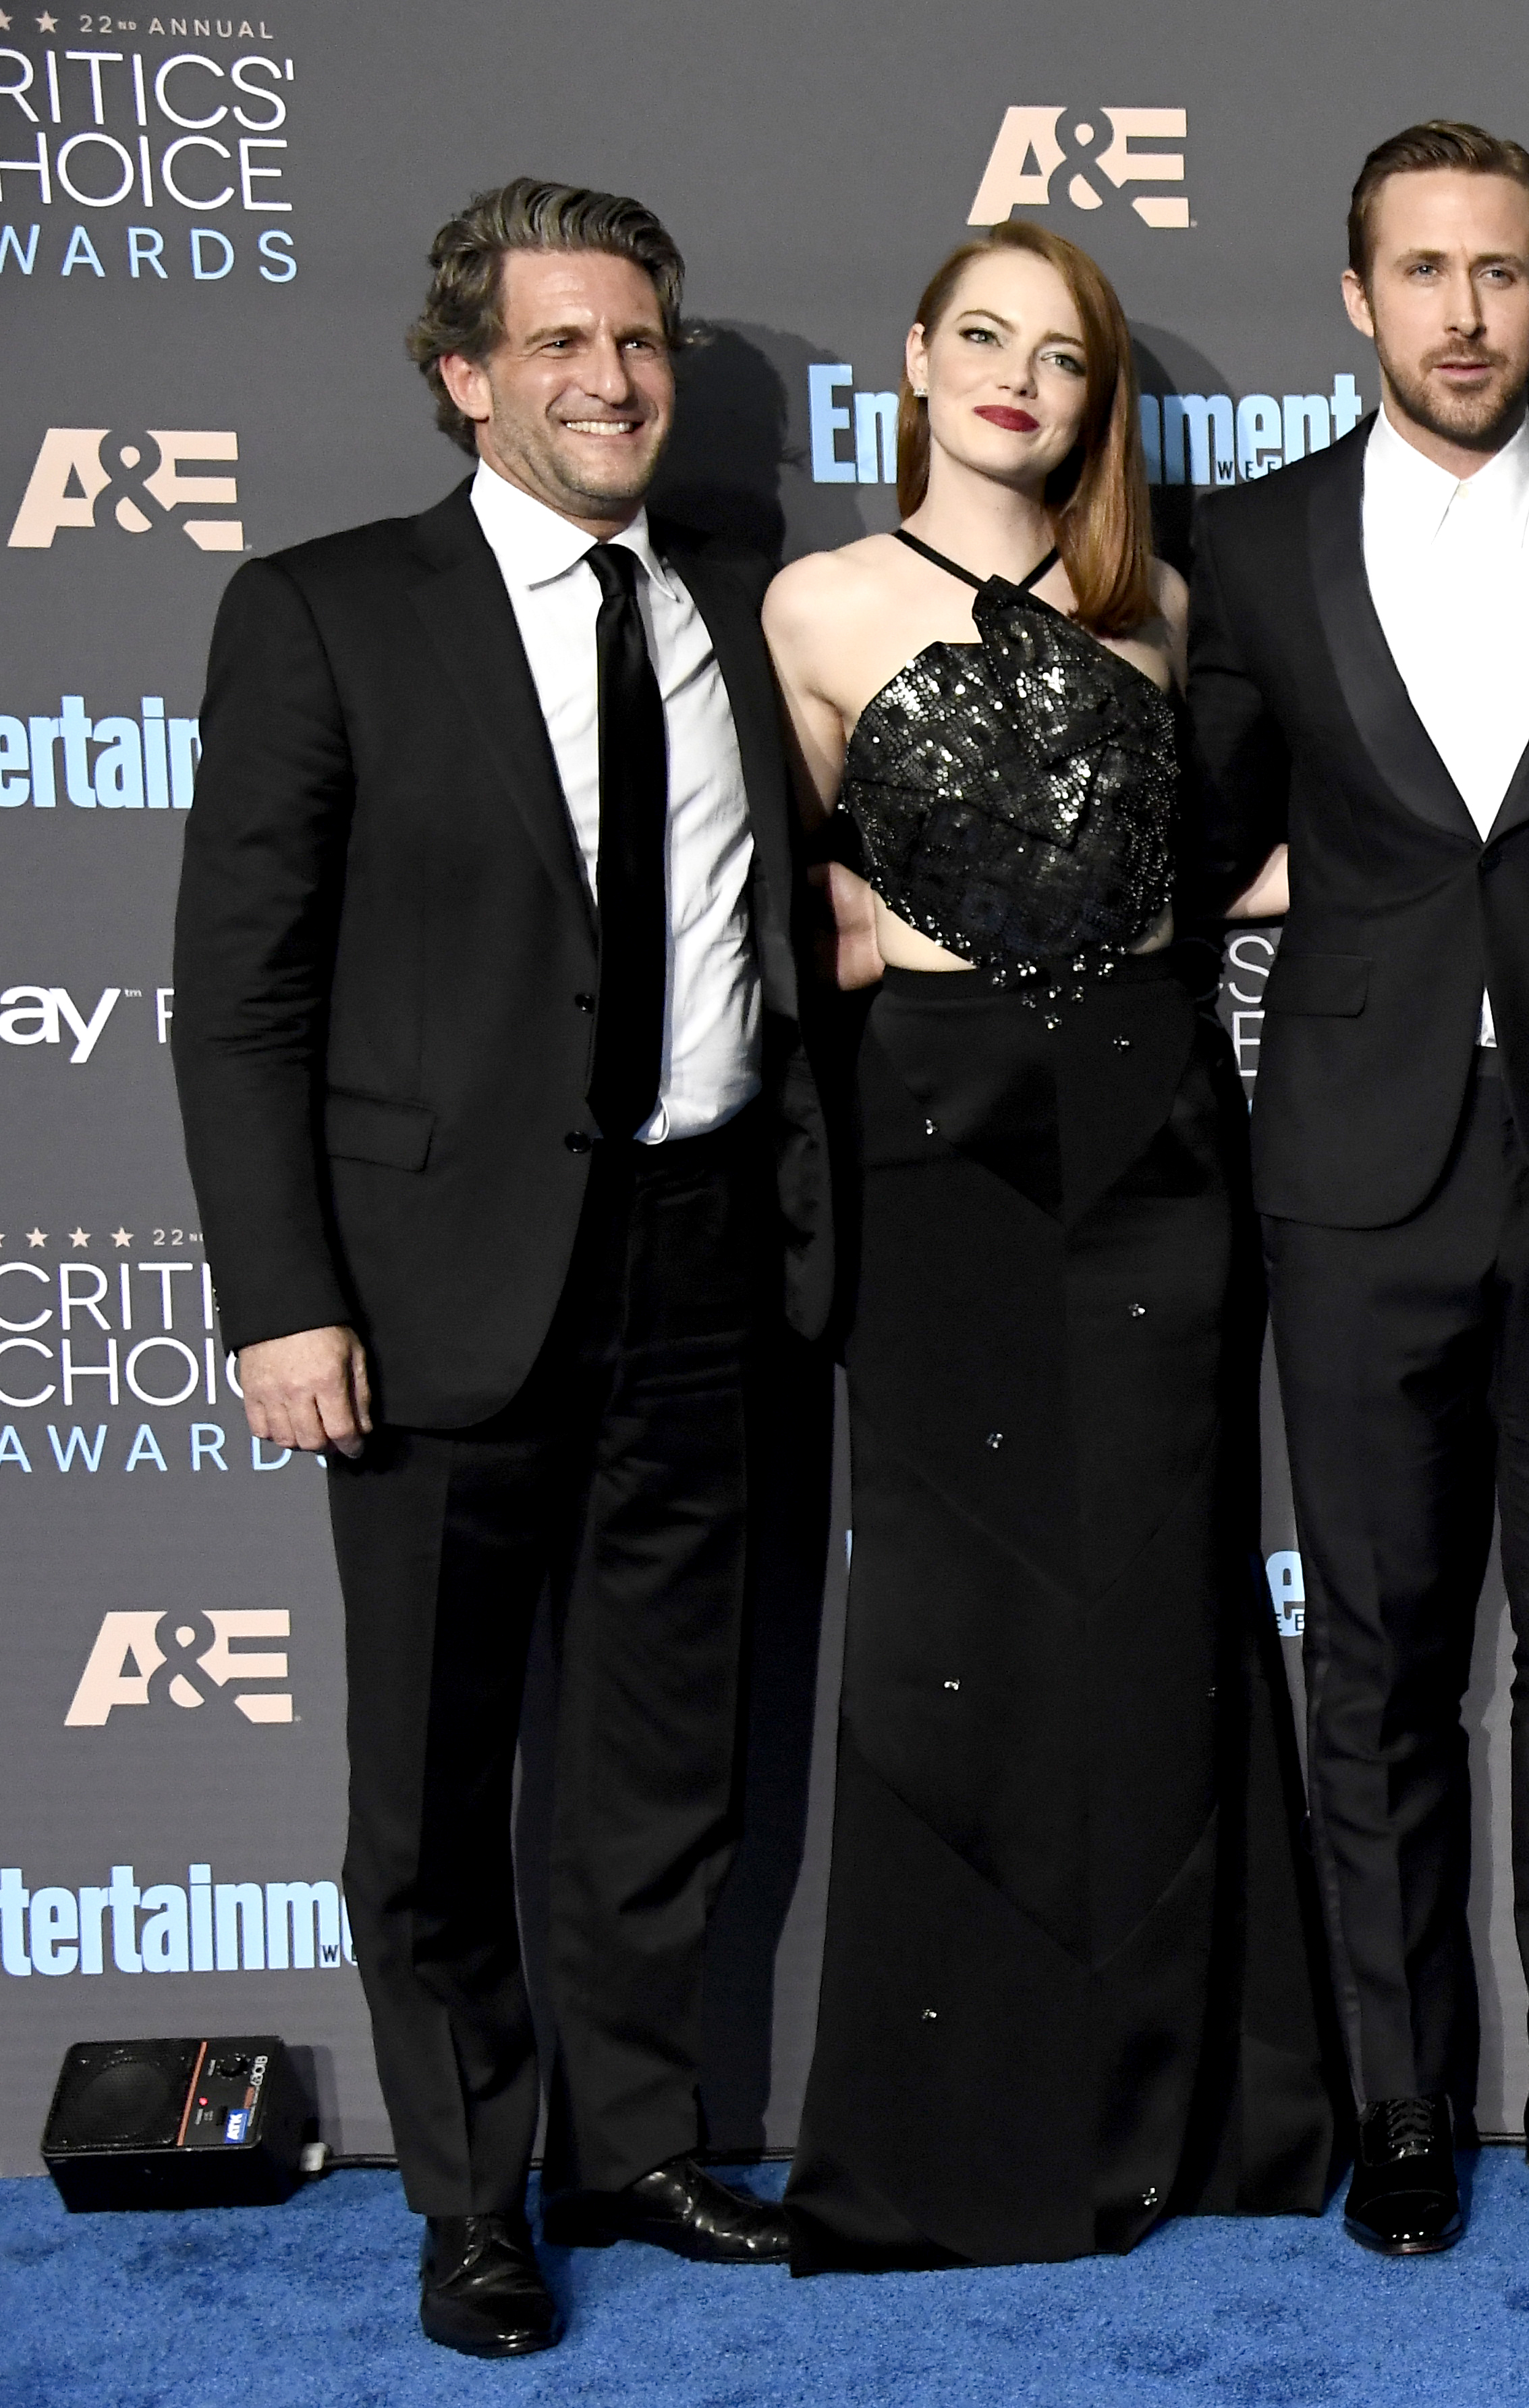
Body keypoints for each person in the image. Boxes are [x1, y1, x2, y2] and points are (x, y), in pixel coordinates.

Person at [171, 180, 827, 2357]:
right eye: (560, 344)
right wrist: (279, 1296)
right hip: (428, 1287)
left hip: (704, 1261)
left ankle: (631, 2152)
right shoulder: (329, 612)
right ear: (467, 376)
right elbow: (239, 1000)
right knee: (437, 1791)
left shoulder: (740, 613)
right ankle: (472, 2203)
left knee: (660, 1766)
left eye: (637, 339)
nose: (613, 380)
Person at [761, 218, 1339, 2270]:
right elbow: (781, 906)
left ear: (1101, 399)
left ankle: (1197, 2116)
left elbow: (1205, 875)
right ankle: (959, 2144)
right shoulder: (811, 605)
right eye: (984, 337)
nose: (1020, 377)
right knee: (948, 1637)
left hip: (1153, 1147)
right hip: (934, 1152)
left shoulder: (1161, 606)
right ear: (915, 359)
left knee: (1155, 1617)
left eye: (1065, 353)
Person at [1185, 121, 1529, 2260]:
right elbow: (1192, 831)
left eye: (1501, 274)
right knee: (1382, 1663)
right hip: (1352, 1170)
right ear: (1358, 299)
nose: (1466, 313)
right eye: (1424, 273)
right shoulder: (1246, 542)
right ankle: (1401, 2100)